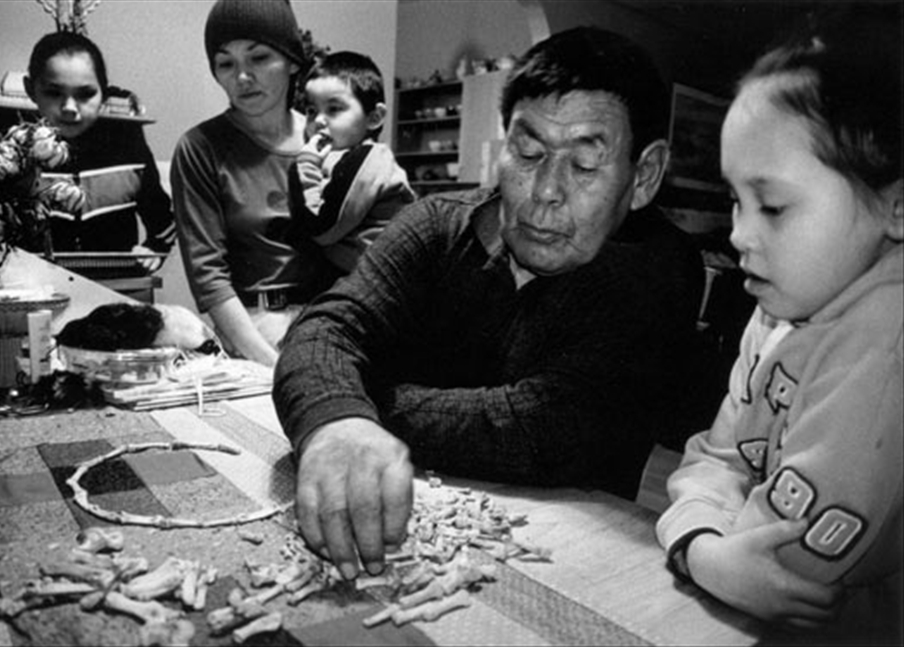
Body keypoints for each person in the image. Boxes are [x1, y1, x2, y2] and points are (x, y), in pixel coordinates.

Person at [274, 26, 713, 581]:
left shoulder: (661, 266)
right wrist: (336, 422)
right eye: (527, 152)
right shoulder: (434, 226)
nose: (545, 191)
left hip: (568, 569)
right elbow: (325, 330)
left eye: (584, 166)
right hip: (404, 544)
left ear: (643, 176)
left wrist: (362, 403)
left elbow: (544, 428)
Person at [655, 7, 902, 641]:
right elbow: (718, 455)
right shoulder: (775, 314)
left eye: (772, 205)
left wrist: (701, 543)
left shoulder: (885, 338)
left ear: (896, 206)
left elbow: (787, 566)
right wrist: (704, 545)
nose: (738, 233)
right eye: (736, 200)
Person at [171, 0, 336, 366]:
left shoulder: (326, 137)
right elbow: (209, 277)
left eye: (258, 58)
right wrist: (271, 365)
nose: (242, 77)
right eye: (226, 63)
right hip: (257, 330)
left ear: (293, 60)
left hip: (334, 322)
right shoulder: (200, 148)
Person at [24, 31, 175, 272]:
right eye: (54, 93)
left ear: (104, 92)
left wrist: (155, 247)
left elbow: (164, 220)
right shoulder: (12, 150)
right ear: (31, 89)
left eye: (85, 94)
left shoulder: (128, 142)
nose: (70, 109)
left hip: (117, 295)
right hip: (35, 294)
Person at [288, 51, 415, 274]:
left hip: (377, 285)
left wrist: (304, 164)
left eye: (334, 109)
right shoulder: (343, 158)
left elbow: (320, 228)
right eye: (311, 110)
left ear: (374, 117)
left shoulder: (368, 158)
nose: (318, 121)